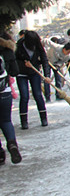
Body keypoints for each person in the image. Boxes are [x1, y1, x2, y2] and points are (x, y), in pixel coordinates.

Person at [15, 31, 52, 129]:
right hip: (21, 74)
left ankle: (44, 119)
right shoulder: (19, 46)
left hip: (34, 73)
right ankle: (24, 121)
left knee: (38, 95)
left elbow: (44, 60)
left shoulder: (38, 46)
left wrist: (47, 75)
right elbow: (14, 60)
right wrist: (23, 64)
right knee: (24, 96)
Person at [0, 31, 21, 164]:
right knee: (6, 121)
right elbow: (15, 71)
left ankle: (0, 154)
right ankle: (12, 145)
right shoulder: (7, 51)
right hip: (4, 92)